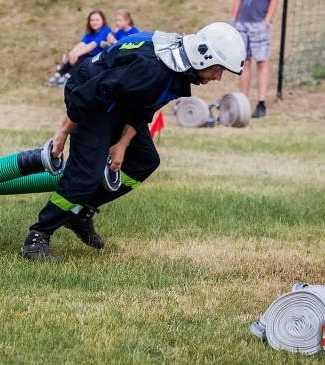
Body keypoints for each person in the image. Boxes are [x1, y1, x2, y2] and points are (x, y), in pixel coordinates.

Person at [20, 22, 246, 262]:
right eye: (219, 69)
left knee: (144, 161)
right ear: (203, 56)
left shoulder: (176, 67)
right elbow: (91, 93)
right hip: (91, 95)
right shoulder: (152, 69)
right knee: (86, 175)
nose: (219, 77)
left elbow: (145, 105)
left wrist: (123, 145)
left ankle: (79, 211)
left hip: (117, 100)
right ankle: (38, 237)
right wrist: (63, 132)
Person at [230, 0, 279, 120]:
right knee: (244, 62)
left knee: (261, 61)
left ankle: (261, 103)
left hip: (259, 23)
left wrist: (267, 19)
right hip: (243, 21)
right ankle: (243, 102)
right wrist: (233, 19)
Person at [46, 10, 111, 86]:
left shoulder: (106, 30)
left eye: (97, 20)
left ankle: (68, 76)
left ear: (103, 20)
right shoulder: (90, 32)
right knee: (79, 55)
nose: (94, 22)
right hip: (89, 55)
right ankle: (59, 74)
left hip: (99, 58)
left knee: (82, 57)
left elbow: (92, 45)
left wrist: (76, 54)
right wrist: (72, 53)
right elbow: (82, 43)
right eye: (92, 20)